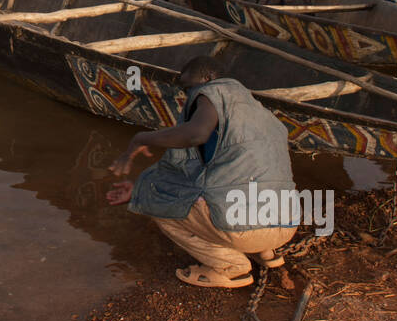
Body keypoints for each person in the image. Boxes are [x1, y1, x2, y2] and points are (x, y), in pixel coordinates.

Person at [105, 55, 299, 288]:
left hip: (248, 230)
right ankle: (267, 253)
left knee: (159, 205)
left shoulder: (213, 93)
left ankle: (231, 268)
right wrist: (140, 186)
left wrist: (141, 139)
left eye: (189, 88)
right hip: (286, 223)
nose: (187, 96)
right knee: (240, 187)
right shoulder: (261, 114)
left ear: (208, 79)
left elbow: (195, 134)